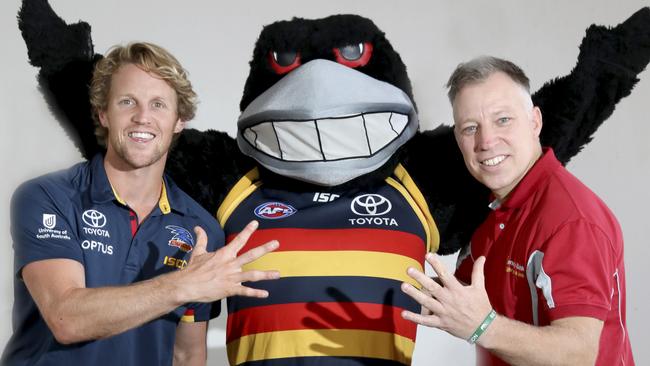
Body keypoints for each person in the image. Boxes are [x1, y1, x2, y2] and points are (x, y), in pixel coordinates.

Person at [2, 42, 280, 366]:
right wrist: (183, 285)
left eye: (159, 104)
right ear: (103, 113)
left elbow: (186, 354)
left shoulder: (200, 230)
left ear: (180, 121)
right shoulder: (47, 197)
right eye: (127, 102)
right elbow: (66, 318)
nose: (142, 117)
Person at [400, 56, 633, 365]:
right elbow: (470, 296)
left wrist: (481, 327)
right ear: (457, 138)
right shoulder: (491, 209)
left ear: (535, 121)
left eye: (503, 120)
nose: (486, 141)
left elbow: (579, 354)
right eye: (470, 128)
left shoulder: (571, 220)